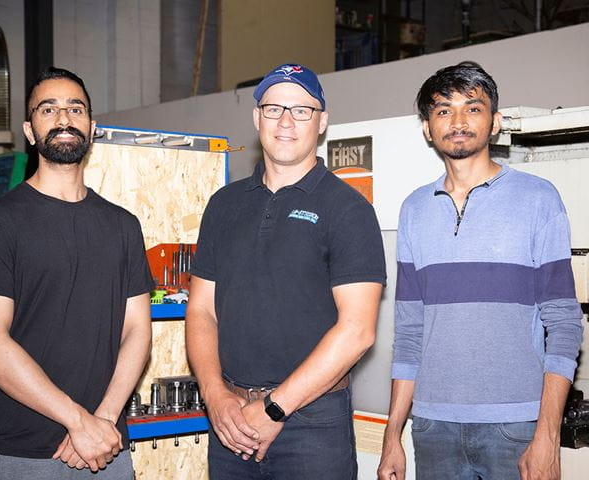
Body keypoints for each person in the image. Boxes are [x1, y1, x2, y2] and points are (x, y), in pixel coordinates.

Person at [377, 62, 583, 480]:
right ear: (426, 127)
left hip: (517, 427)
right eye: (443, 110)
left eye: (472, 108)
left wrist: (546, 435)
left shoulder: (538, 200)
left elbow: (564, 324)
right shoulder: (414, 209)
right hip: (433, 427)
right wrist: (392, 434)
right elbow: (409, 332)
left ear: (495, 122)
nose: (457, 121)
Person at [186, 63, 387, 479]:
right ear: (257, 117)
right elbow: (202, 310)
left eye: (301, 111)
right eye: (274, 108)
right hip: (231, 421)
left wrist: (275, 408)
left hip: (312, 426)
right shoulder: (224, 205)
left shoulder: (348, 210)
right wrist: (215, 396)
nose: (286, 122)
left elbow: (357, 330)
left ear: (322, 121)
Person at [0, 67, 154, 479]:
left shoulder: (123, 225)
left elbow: (137, 331)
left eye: (75, 109)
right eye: (49, 109)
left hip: (107, 451)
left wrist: (103, 421)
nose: (64, 119)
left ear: (92, 127)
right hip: (22, 452)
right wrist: (79, 422)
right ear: (30, 130)